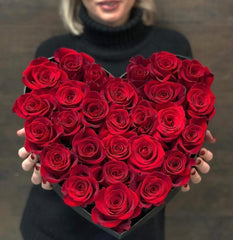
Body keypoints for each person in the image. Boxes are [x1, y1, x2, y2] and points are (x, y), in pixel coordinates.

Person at [17, 0, 216, 239]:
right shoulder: (52, 54)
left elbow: (183, 131)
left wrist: (188, 147)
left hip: (139, 230)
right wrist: (38, 153)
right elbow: (41, 136)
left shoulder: (173, 47)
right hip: (54, 229)